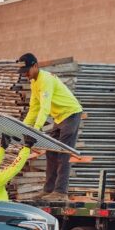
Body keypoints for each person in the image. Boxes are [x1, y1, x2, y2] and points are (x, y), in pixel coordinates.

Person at [18, 52, 83, 202]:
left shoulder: (45, 80)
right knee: (51, 152)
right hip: (60, 117)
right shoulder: (34, 82)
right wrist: (25, 128)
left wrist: (36, 128)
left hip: (71, 114)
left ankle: (60, 192)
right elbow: (34, 108)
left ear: (35, 66)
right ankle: (48, 190)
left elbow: (44, 108)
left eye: (27, 71)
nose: (25, 74)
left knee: (63, 153)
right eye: (23, 72)